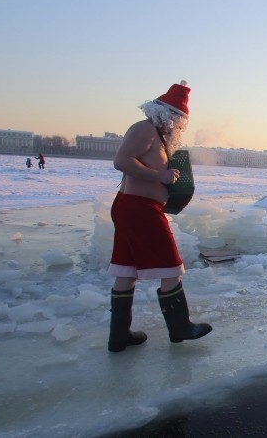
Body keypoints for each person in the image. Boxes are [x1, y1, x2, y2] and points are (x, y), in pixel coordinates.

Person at [106, 80, 212, 353]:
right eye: (178, 120)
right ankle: (180, 328)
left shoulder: (156, 135)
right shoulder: (146, 130)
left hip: (135, 207)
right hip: (140, 209)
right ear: (167, 114)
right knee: (171, 267)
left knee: (125, 269)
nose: (179, 126)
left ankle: (119, 337)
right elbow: (122, 161)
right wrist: (160, 176)